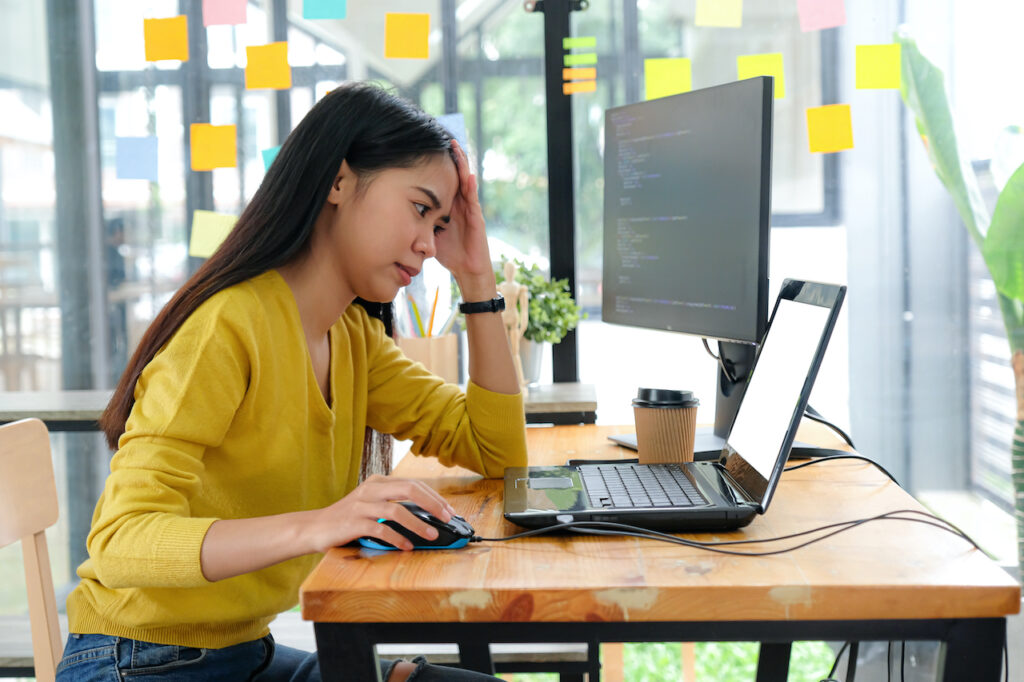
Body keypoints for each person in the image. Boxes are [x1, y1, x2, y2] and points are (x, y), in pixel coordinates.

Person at [55, 82, 528, 682]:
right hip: (137, 662)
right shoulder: (227, 326)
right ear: (338, 181)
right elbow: (121, 541)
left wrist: (477, 277)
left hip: (244, 658)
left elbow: (497, 450)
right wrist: (326, 521)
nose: (428, 246)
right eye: (419, 209)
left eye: (440, 226)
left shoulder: (352, 337)